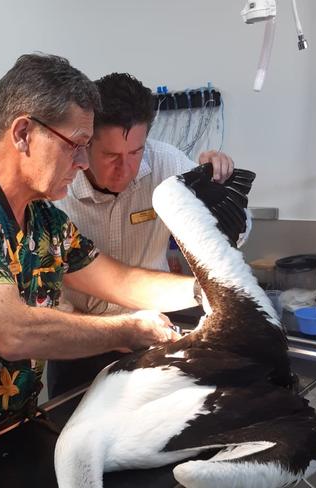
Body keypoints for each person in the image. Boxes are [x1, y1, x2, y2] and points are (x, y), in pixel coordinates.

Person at [0, 54, 200, 468]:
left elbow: (117, 280)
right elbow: (12, 332)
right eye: (77, 146)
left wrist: (204, 290)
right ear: (25, 133)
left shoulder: (44, 220)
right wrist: (130, 329)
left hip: (12, 428)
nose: (83, 163)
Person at [49, 73, 235, 397]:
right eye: (111, 156)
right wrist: (112, 331)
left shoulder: (166, 165)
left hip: (151, 337)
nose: (125, 168)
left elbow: (229, 238)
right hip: (79, 343)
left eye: (135, 152)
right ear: (86, 143)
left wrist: (219, 193)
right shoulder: (58, 192)